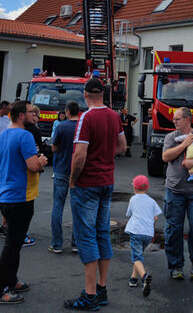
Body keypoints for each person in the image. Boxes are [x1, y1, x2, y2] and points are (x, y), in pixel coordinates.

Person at [65, 78, 126, 310]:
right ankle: (101, 289)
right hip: (106, 182)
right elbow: (122, 146)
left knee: (86, 236)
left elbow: (79, 155)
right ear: (103, 93)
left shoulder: (86, 117)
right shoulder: (114, 116)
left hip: (87, 184)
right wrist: (105, 156)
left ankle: (89, 296)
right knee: (102, 234)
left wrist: (73, 180)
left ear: (86, 94)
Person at [0, 100, 47, 305]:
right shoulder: (25, 136)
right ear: (21, 115)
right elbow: (33, 166)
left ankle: (11, 281)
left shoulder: (3, 134)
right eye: (31, 112)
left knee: (15, 242)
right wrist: (42, 161)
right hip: (20, 197)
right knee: (12, 245)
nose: (35, 115)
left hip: (5, 194)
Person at [162, 107, 193, 281]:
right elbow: (165, 157)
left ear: (187, 119)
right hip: (174, 190)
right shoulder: (171, 137)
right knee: (174, 229)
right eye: (173, 119)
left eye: (177, 119)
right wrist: (184, 145)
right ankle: (176, 266)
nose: (174, 121)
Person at [49, 101, 80, 254]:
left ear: (67, 111)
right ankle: (76, 244)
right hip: (79, 172)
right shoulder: (83, 126)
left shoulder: (61, 126)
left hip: (61, 169)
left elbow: (54, 148)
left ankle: (57, 244)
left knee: (58, 206)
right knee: (77, 208)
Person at [125, 175, 161, 297]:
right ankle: (133, 279)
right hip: (147, 234)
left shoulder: (133, 199)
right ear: (147, 188)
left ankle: (144, 276)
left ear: (135, 188)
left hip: (136, 232)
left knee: (136, 257)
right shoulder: (152, 201)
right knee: (138, 255)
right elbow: (156, 217)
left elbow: (129, 213)